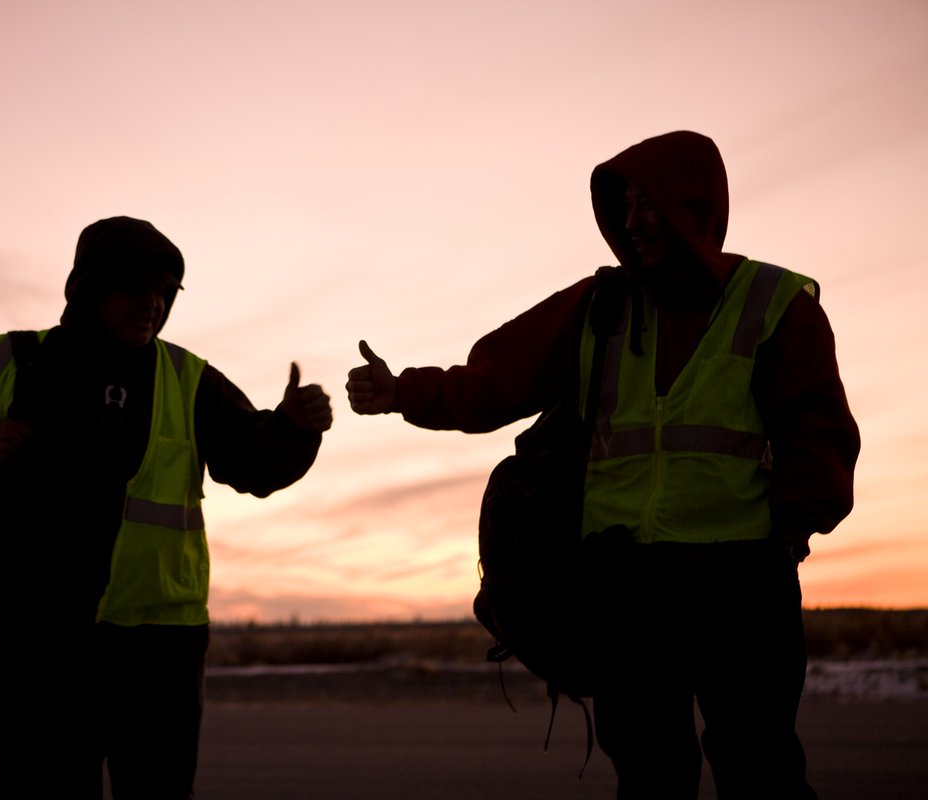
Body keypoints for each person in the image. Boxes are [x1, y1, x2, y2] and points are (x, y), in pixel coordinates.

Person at [346, 131, 859, 799]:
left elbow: (818, 431)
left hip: (742, 578)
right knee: (648, 775)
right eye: (627, 204)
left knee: (760, 770)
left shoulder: (775, 303)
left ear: (694, 208)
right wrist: (403, 392)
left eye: (651, 203)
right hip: (627, 582)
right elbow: (495, 381)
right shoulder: (601, 306)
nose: (633, 220)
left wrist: (791, 533)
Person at [0, 216, 332, 798]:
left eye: (163, 293)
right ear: (88, 290)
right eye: (136, 290)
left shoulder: (188, 378)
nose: (151, 304)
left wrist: (293, 429)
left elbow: (253, 465)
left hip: (160, 647)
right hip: (41, 641)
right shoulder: (15, 361)